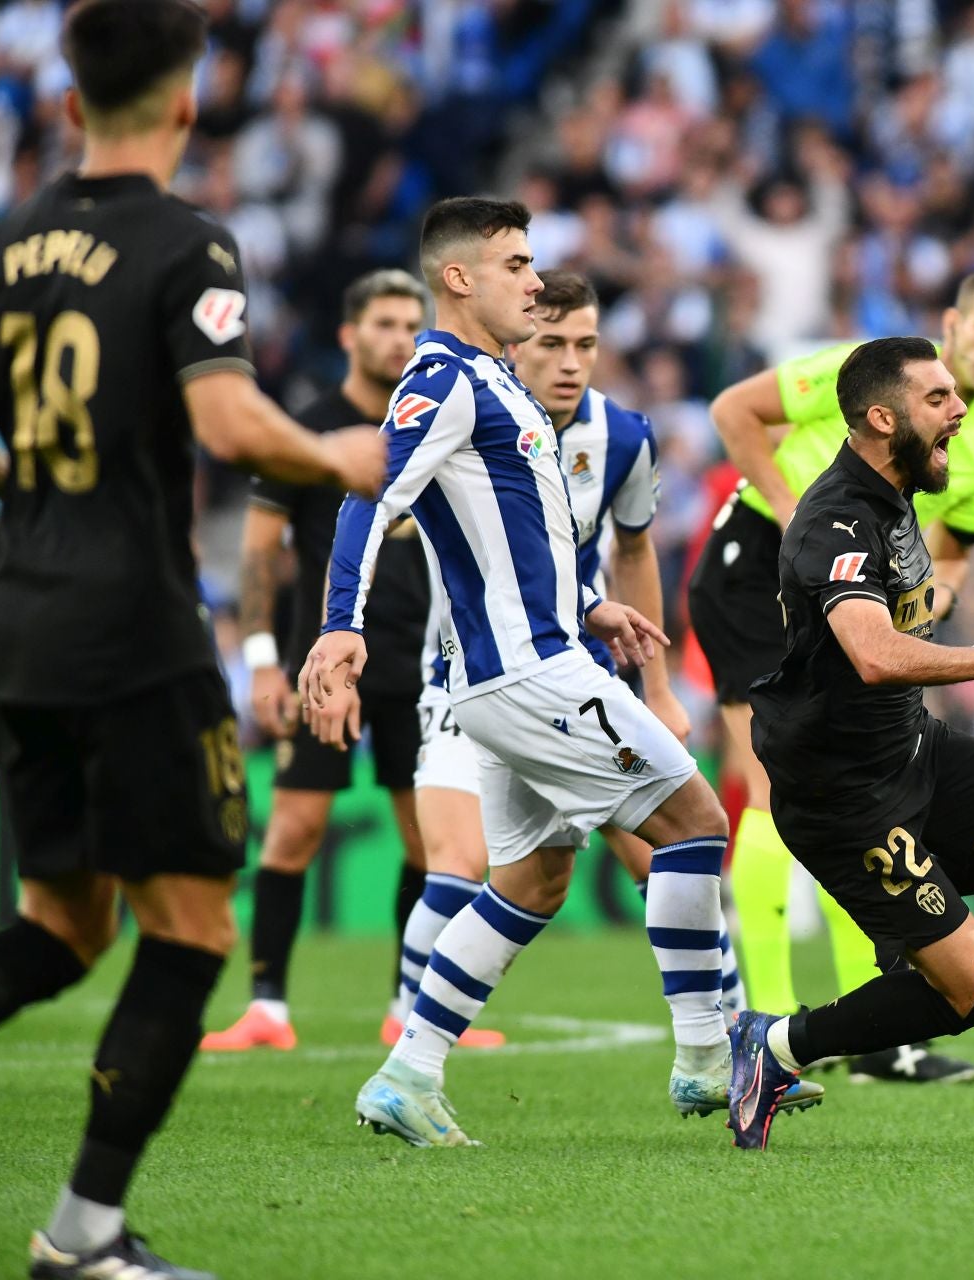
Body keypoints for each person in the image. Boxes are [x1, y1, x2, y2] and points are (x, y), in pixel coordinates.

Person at [0, 3, 384, 1276]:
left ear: (69, 105)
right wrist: (335, 453)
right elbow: (226, 422)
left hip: (21, 617)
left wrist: (14, 477)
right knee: (194, 928)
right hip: (135, 628)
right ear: (187, 103)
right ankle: (84, 1234)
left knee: (63, 922)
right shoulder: (187, 243)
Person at [301, 197, 759, 1147]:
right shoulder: (443, 379)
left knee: (535, 881)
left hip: (522, 668)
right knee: (696, 824)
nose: (534, 280)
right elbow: (369, 494)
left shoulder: (494, 381)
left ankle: (408, 1074)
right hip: (530, 676)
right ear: (459, 277)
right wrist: (340, 628)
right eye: (515, 264)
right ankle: (709, 1059)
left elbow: (507, 541)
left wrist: (589, 603)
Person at [725, 337, 974, 1150]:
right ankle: (776, 1045)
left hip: (914, 749)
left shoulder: (899, 494)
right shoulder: (834, 520)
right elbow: (873, 654)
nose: (960, 409)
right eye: (937, 399)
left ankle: (906, 913)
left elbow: (916, 603)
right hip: (845, 798)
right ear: (881, 418)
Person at [376, 269, 754, 1041]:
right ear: (517, 343)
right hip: (466, 671)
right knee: (460, 862)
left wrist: (658, 686)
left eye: (586, 344)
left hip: (580, 675)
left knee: (641, 856)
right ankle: (405, 1029)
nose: (571, 362)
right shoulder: (472, 411)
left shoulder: (623, 438)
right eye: (552, 343)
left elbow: (636, 553)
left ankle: (734, 1023)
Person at [688, 267, 974, 1084]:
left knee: (867, 799)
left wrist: (927, 601)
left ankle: (872, 1037)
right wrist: (792, 516)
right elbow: (733, 410)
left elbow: (956, 551)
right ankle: (765, 1024)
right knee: (771, 788)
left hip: (856, 604)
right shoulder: (867, 373)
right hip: (756, 571)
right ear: (954, 322)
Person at [202, 269, 469, 1053]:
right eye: (383, 323)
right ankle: (267, 1008)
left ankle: (407, 1007)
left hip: (420, 666)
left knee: (426, 842)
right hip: (325, 665)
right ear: (350, 335)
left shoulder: (442, 418)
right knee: (293, 830)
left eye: (410, 324)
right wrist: (261, 662)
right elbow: (260, 553)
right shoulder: (310, 431)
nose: (399, 338)